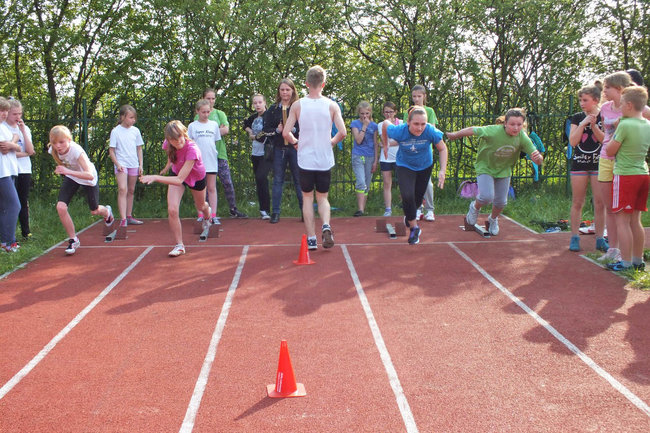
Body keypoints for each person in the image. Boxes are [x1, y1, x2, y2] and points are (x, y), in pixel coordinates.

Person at [446, 108, 543, 236]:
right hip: (486, 167)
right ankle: (474, 208)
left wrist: (538, 158)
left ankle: (493, 219)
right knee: (486, 196)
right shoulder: (494, 131)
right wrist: (455, 135)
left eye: (519, 125)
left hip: (504, 170)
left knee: (501, 202)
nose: (515, 128)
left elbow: (538, 160)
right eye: (512, 124)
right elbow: (472, 130)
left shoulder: (522, 137)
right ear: (505, 123)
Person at [283, 65, 346, 250]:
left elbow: (286, 132)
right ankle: (325, 225)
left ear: (306, 83)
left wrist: (296, 142)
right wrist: (331, 142)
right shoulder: (332, 105)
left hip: (306, 158)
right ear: (323, 84)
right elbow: (342, 132)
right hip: (324, 158)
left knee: (307, 198)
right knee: (323, 197)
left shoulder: (298, 105)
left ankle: (311, 238)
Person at [597, 71, 650, 262]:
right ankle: (622, 253)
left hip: (625, 168)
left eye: (607, 88)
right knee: (618, 211)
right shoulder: (606, 108)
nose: (604, 91)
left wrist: (620, 129)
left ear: (620, 90)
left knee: (624, 217)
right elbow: (606, 138)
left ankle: (627, 260)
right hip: (623, 165)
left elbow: (613, 147)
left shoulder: (635, 112)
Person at [140, 120, 211, 257]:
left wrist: (155, 177)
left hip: (195, 177)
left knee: (201, 206)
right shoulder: (168, 143)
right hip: (177, 173)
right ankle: (179, 245)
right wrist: (167, 166)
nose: (177, 141)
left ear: (184, 133)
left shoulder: (192, 149)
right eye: (173, 139)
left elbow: (179, 180)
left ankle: (208, 215)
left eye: (179, 137)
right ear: (168, 140)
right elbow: (171, 155)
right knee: (172, 209)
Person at [382, 106, 448, 244]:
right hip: (404, 165)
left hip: (425, 166)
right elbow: (385, 124)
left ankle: (409, 216)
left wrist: (442, 170)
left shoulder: (430, 131)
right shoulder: (399, 131)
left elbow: (442, 148)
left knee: (417, 200)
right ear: (408, 122)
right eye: (416, 124)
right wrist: (385, 144)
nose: (419, 128)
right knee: (407, 195)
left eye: (423, 124)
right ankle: (414, 228)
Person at [48, 125, 114, 255]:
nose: (58, 146)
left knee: (94, 210)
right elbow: (63, 163)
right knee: (61, 207)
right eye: (54, 143)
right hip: (72, 177)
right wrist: (64, 170)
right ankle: (73, 239)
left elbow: (89, 175)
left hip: (87, 178)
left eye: (61, 142)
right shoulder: (53, 150)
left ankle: (107, 211)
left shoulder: (76, 151)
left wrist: (67, 171)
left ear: (69, 140)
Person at [567, 83, 607, 252]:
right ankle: (575, 237)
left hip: (599, 164)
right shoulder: (577, 118)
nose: (582, 103)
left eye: (585, 100)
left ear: (595, 100)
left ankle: (600, 238)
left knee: (600, 202)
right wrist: (583, 123)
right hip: (580, 164)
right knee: (578, 201)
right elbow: (573, 141)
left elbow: (605, 140)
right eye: (580, 100)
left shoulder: (605, 115)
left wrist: (594, 126)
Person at [198, 88, 247, 218]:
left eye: (213, 98)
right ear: (203, 99)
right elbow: (198, 133)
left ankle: (233, 209)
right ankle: (207, 211)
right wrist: (215, 131)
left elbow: (226, 130)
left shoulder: (220, 114)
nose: (211, 101)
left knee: (227, 182)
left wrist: (210, 132)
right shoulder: (198, 115)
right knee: (206, 185)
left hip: (220, 154)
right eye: (208, 98)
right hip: (204, 156)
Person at [262, 78, 303, 223]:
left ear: (293, 91)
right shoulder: (273, 109)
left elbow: (305, 127)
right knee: (278, 180)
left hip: (296, 148)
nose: (285, 92)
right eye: (282, 90)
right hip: (279, 149)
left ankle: (305, 211)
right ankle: (276, 212)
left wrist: (294, 130)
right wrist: (277, 130)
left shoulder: (299, 107)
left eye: (287, 89)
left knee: (299, 180)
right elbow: (266, 130)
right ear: (279, 92)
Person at [404, 85, 437, 221]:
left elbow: (432, 130)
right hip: (411, 152)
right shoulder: (408, 112)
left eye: (419, 96)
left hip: (425, 153)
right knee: (413, 183)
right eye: (414, 96)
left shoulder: (429, 111)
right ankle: (417, 209)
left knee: (427, 183)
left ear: (424, 96)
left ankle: (430, 209)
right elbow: (406, 130)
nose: (416, 99)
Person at [108, 104, 144, 228]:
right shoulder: (115, 131)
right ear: (122, 117)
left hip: (133, 163)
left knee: (131, 190)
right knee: (123, 189)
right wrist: (117, 164)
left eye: (134, 118)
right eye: (130, 117)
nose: (133, 120)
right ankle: (123, 219)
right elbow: (111, 151)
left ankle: (129, 216)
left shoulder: (136, 131)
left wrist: (140, 165)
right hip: (121, 164)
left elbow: (139, 148)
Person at [4, 98, 34, 239]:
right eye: (14, 114)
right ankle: (8, 235)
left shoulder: (24, 128)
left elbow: (31, 150)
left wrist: (23, 131)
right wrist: (23, 153)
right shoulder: (3, 127)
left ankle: (26, 232)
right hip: (9, 169)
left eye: (20, 114)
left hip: (24, 169)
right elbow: (7, 152)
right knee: (10, 202)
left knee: (22, 200)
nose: (18, 117)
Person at [188, 98, 221, 225]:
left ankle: (213, 215)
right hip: (197, 162)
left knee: (212, 188)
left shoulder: (214, 125)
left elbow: (215, 142)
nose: (206, 114)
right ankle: (201, 214)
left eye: (208, 112)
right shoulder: (192, 126)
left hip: (211, 160)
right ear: (197, 111)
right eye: (203, 112)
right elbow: (190, 144)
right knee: (199, 190)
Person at [243, 94, 272, 219]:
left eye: (260, 102)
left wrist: (255, 137)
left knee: (262, 177)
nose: (257, 105)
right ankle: (262, 210)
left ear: (265, 102)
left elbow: (266, 133)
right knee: (259, 180)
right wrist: (250, 131)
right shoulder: (253, 117)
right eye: (255, 103)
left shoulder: (269, 116)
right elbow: (245, 124)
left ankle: (267, 209)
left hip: (266, 153)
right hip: (255, 153)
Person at [0, 97, 21, 253]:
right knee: (14, 205)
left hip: (9, 170)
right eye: (1, 110)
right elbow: (4, 147)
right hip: (2, 173)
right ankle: (8, 242)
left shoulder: (3, 127)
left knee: (5, 207)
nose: (4, 114)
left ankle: (5, 241)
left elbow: (16, 142)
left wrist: (13, 143)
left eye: (6, 111)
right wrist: (13, 144)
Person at [350, 101, 378, 216]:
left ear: (370, 113)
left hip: (370, 156)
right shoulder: (355, 124)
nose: (364, 116)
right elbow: (358, 140)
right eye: (362, 113)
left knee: (367, 183)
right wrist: (365, 126)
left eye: (367, 113)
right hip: (358, 155)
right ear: (359, 113)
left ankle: (363, 209)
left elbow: (375, 143)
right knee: (361, 182)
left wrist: (375, 161)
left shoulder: (374, 126)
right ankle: (360, 209)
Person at [375, 101, 402, 217]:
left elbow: (401, 140)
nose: (388, 114)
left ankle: (406, 205)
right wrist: (387, 143)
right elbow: (384, 140)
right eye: (386, 112)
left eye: (391, 112)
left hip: (400, 157)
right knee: (387, 183)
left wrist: (386, 144)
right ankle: (388, 209)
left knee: (404, 183)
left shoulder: (401, 123)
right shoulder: (381, 125)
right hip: (385, 158)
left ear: (395, 112)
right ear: (383, 113)